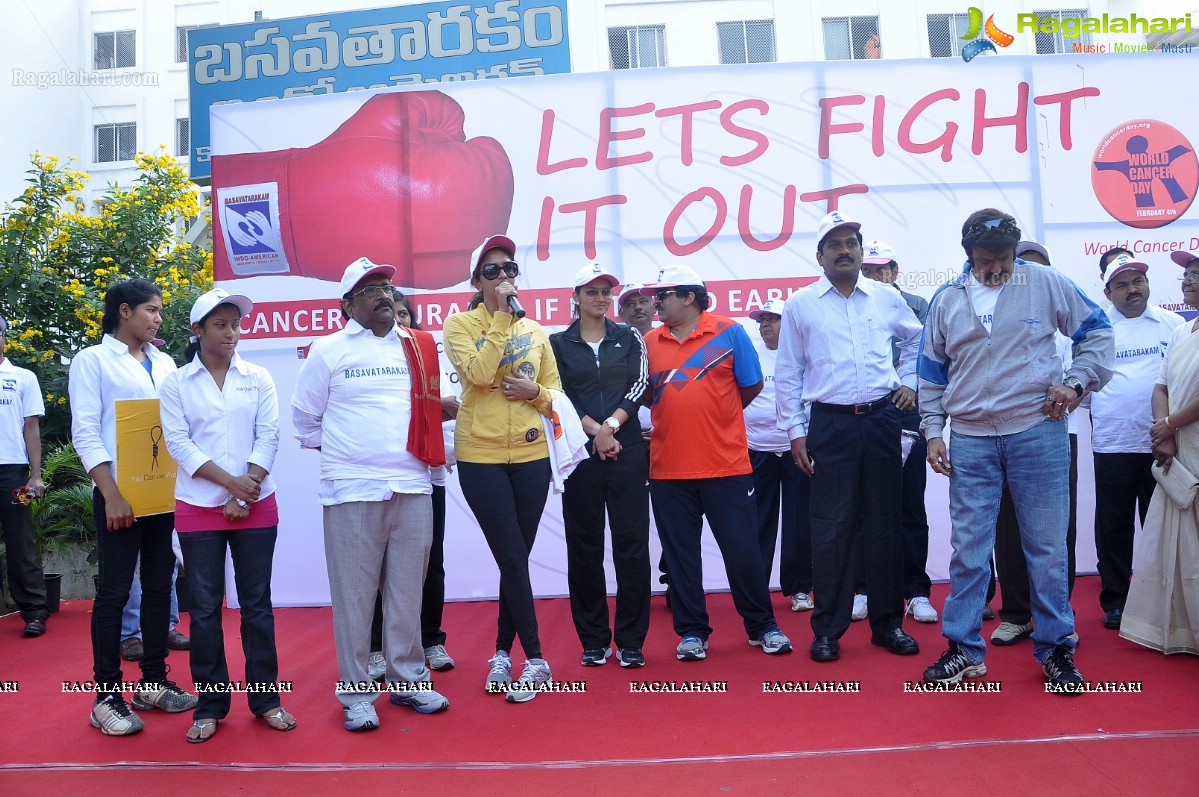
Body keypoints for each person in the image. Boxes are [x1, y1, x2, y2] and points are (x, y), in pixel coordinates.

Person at [918, 209, 1113, 693]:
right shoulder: (946, 299)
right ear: (969, 257)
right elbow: (930, 372)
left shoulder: (1045, 283)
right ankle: (963, 650)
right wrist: (933, 432)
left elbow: (1097, 332)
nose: (997, 267)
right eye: (987, 260)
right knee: (968, 551)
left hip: (1037, 433)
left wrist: (1075, 383)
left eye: (1004, 258)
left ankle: (1057, 650)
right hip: (970, 439)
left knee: (1046, 548)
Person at [293, 257, 448, 731]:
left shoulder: (418, 347)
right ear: (347, 304)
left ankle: (408, 680)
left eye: (385, 285)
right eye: (369, 288)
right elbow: (304, 421)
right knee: (355, 598)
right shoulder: (328, 350)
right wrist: (354, 454)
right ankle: (357, 694)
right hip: (351, 491)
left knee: (407, 594)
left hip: (413, 486)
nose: (382, 294)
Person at [776, 212, 922, 664]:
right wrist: (795, 433)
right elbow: (787, 373)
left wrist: (910, 383)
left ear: (862, 252)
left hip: (881, 421)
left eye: (851, 243)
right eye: (834, 244)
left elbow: (918, 343)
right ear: (819, 256)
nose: (844, 250)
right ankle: (828, 630)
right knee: (831, 530)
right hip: (830, 426)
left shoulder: (886, 297)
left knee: (885, 525)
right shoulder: (801, 304)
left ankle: (888, 625)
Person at [159, 288, 295, 743]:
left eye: (235, 324)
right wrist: (230, 485)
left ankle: (267, 700)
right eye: (221, 325)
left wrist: (246, 489)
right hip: (198, 508)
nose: (232, 333)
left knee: (256, 606)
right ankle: (211, 705)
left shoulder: (258, 376)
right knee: (203, 610)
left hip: (256, 503)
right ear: (197, 331)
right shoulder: (176, 382)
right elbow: (178, 444)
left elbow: (269, 435)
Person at [640, 264, 791, 661]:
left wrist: (717, 419)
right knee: (680, 558)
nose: (655, 301)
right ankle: (692, 633)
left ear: (689, 297)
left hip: (726, 466)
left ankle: (763, 627)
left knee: (744, 552)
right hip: (668, 470)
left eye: (664, 294)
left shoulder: (729, 331)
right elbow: (647, 396)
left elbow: (751, 384)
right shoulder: (650, 341)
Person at [69, 278, 198, 736]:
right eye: (152, 310)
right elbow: (84, 431)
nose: (159, 319)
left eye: (161, 312)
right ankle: (105, 696)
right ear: (124, 312)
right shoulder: (93, 360)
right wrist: (112, 494)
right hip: (118, 494)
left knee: (161, 587)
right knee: (114, 593)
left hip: (163, 493)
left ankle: (154, 682)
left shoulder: (164, 363)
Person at [443, 235, 562, 702]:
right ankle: (536, 659)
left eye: (508, 268)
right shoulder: (458, 324)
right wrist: (498, 319)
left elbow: (555, 392)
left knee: (515, 562)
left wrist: (535, 395)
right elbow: (478, 374)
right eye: (492, 272)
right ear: (477, 281)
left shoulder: (535, 332)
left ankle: (499, 653)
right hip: (481, 457)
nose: (503, 277)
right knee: (512, 559)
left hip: (532, 455)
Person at [550, 263, 651, 668]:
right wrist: (595, 431)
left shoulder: (629, 337)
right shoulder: (557, 343)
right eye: (591, 291)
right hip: (580, 454)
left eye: (605, 291)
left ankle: (630, 640)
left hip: (625, 449)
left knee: (631, 546)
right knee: (585, 546)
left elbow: (640, 385)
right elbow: (558, 392)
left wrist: (610, 427)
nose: (600, 298)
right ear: (575, 296)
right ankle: (593, 640)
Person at [987, 240, 1084, 646]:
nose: (1028, 272)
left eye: (1037, 265)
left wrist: (1072, 391)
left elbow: (1090, 366)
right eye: (1020, 264)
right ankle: (1016, 613)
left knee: (1056, 532)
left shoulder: (1066, 314)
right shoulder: (994, 317)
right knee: (1007, 527)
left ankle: (1058, 614)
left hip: (1056, 435)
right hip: (1003, 436)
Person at [1089, 252, 1183, 631]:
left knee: (1160, 524)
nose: (1133, 290)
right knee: (1113, 526)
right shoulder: (1095, 329)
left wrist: (1170, 430)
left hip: (1162, 442)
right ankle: (1115, 599)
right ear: (1108, 292)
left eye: (1138, 282)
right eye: (1123, 285)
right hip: (1113, 441)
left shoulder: (1172, 325)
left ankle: (1162, 600)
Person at [368, 290, 458, 678]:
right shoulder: (367, 363)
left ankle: (430, 640)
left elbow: (452, 431)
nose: (400, 322)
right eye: (395, 314)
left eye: (406, 314)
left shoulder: (426, 360)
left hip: (426, 479)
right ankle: (374, 648)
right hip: (376, 481)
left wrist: (434, 412)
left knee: (429, 561)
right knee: (371, 568)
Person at [1120, 249, 1199, 656]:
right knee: (1180, 539)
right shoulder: (1183, 332)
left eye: (1196, 274)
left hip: (1192, 442)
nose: (1186, 280)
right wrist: (1164, 433)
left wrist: (1170, 425)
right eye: (1186, 274)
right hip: (1178, 450)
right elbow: (1161, 386)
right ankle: (1183, 628)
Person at [859, 241, 936, 624]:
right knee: (860, 505)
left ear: (895, 270)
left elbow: (933, 356)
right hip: (860, 415)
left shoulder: (920, 306)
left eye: (882, 268)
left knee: (909, 503)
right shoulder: (850, 303)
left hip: (906, 412)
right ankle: (862, 587)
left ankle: (916, 591)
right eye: (869, 269)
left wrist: (914, 388)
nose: (875, 275)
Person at [744, 299, 813, 613]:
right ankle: (755, 590)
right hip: (756, 450)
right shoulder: (751, 354)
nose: (765, 325)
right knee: (757, 520)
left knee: (799, 521)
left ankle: (799, 588)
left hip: (796, 450)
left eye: (773, 319)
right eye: (762, 320)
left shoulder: (804, 356)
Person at [0, 312, 50, 637]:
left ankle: (34, 611)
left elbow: (31, 428)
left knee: (20, 542)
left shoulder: (22, 377)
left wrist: (35, 475)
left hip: (13, 471)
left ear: (4, 336)